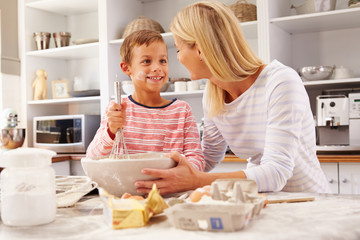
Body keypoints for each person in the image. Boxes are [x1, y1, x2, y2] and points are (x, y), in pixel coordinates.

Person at [134, 1, 331, 195]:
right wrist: (162, 169)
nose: (178, 57)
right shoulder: (213, 96)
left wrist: (196, 180)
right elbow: (208, 157)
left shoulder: (280, 82)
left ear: (200, 48)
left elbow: (276, 172)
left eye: (178, 49)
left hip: (310, 203)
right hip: (264, 202)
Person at [86, 30, 205, 172]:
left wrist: (181, 172)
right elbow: (92, 158)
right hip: (127, 193)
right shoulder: (117, 110)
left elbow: (197, 159)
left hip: (172, 191)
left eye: (163, 61)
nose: (157, 68)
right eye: (146, 61)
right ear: (126, 68)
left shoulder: (181, 110)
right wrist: (111, 131)